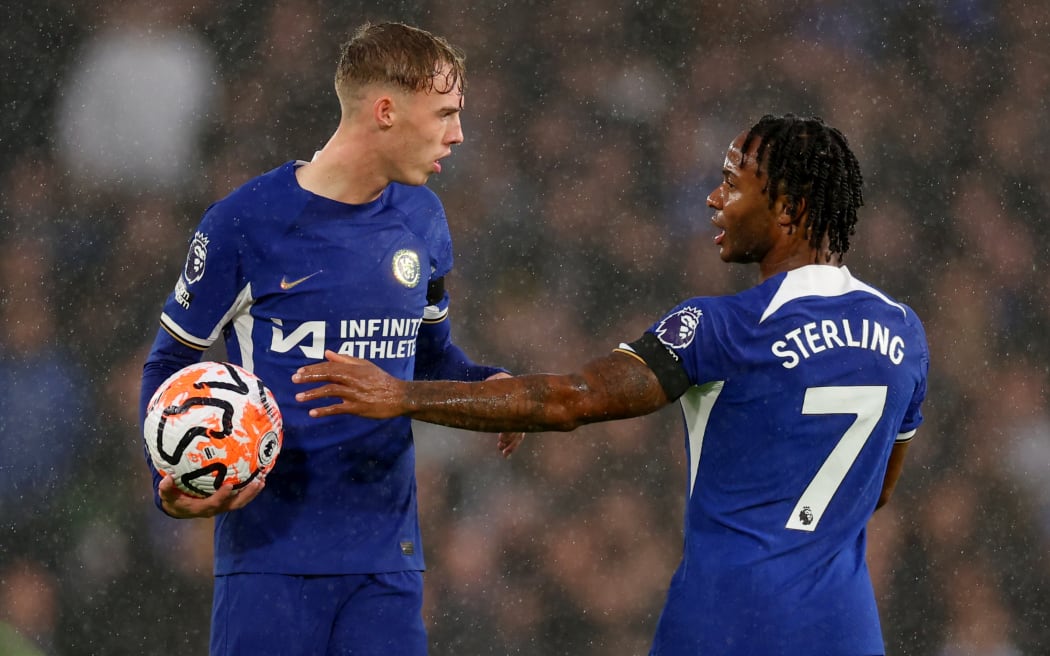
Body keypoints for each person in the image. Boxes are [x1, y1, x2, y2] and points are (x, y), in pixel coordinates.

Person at [292, 114, 930, 655]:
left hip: (728, 623)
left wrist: (402, 395)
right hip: (844, 630)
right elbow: (876, 490)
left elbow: (571, 399)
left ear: (789, 208)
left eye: (733, 185)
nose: (713, 198)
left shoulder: (723, 327)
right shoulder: (906, 335)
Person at [139, 21, 523, 656]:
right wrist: (170, 476)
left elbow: (428, 356)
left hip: (386, 566)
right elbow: (171, 359)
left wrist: (488, 384)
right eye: (446, 114)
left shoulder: (422, 219)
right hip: (270, 560)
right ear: (385, 112)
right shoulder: (245, 223)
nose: (458, 134)